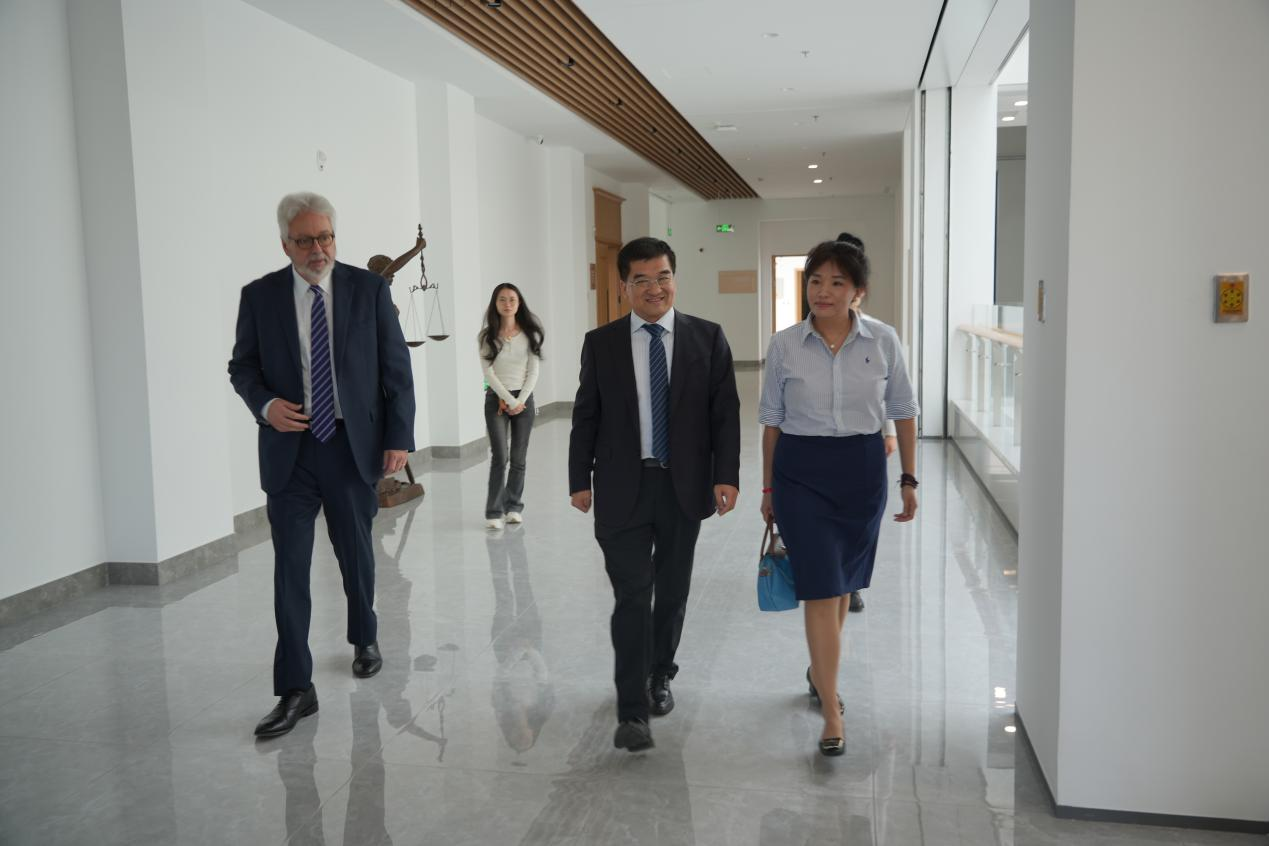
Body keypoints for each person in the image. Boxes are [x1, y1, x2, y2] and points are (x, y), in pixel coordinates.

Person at [229, 192, 416, 739]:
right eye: (306, 240)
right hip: (289, 450)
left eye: (326, 237)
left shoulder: (368, 290)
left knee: (356, 553)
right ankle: (296, 688)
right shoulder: (260, 296)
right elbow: (243, 367)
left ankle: (364, 634)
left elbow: (396, 368)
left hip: (351, 446)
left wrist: (399, 437)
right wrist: (265, 404)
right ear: (285, 244)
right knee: (290, 568)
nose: (319, 249)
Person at [569, 237, 741, 752]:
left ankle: (660, 672)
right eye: (641, 280)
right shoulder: (601, 343)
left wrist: (726, 475)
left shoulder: (707, 337)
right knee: (631, 594)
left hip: (682, 485)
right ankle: (631, 710)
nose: (654, 288)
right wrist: (579, 478)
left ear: (674, 279)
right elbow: (586, 414)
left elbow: (725, 414)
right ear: (623, 286)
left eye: (662, 276)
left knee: (670, 590)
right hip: (622, 484)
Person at [759, 239, 919, 757]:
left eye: (836, 282)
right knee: (821, 588)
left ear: (858, 292)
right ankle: (832, 710)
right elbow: (772, 422)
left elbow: (903, 410)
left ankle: (818, 672)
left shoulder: (883, 340)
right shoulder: (785, 344)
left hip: (861, 471)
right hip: (801, 473)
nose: (822, 292)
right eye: (815, 281)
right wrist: (768, 489)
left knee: (843, 583)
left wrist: (909, 479)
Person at [835, 231, 895, 614]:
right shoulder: (809, 332)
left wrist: (888, 432)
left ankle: (852, 583)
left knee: (858, 518)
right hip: (817, 443)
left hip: (862, 442)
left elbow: (887, 392)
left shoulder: (878, 335)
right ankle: (834, 577)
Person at [478, 283, 544, 530]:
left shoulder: (530, 334)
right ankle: (494, 512)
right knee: (500, 457)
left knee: (518, 457)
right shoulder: (486, 336)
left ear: (519, 303)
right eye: (502, 299)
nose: (507, 304)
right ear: (495, 304)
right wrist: (507, 398)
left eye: (512, 299)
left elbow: (533, 371)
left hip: (524, 400)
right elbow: (488, 373)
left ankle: (513, 507)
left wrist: (520, 400)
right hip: (496, 399)